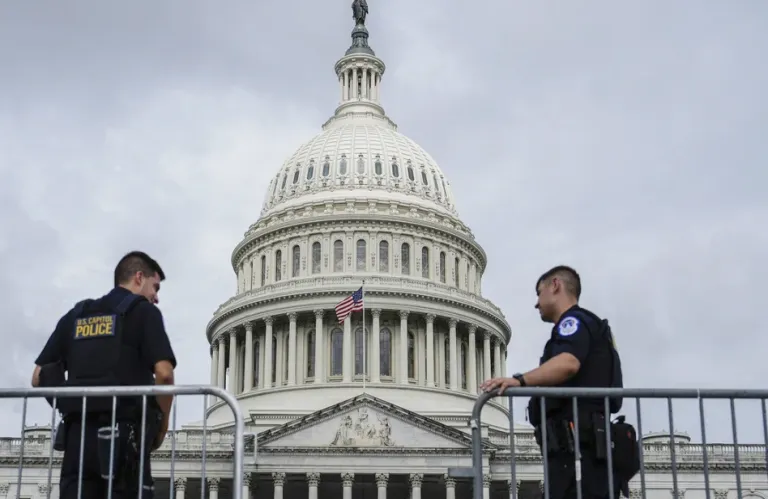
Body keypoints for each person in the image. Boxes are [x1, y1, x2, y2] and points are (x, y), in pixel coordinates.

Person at [32, 251, 177, 499]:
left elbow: (38, 376)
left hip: (78, 440)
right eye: (155, 287)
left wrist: (70, 402)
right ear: (139, 278)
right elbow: (164, 375)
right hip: (124, 439)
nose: (156, 297)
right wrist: (161, 425)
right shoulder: (145, 313)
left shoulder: (76, 315)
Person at [480, 265, 627, 499]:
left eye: (539, 293)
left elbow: (569, 363)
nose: (537, 303)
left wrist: (520, 380)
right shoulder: (585, 325)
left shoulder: (575, 322)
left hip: (578, 446)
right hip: (576, 446)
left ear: (555, 285)